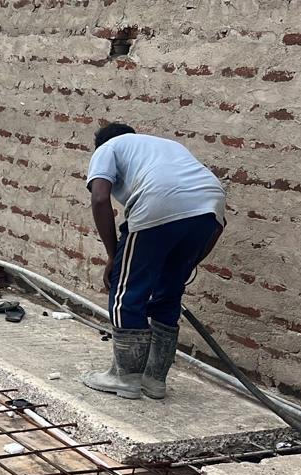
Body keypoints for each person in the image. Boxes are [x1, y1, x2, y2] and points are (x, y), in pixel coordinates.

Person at [83, 123, 226, 400]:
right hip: (210, 209)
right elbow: (218, 226)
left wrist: (114, 256)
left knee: (126, 293)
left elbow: (99, 198)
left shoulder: (108, 147)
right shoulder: (168, 147)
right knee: (168, 293)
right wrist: (186, 265)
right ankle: (154, 380)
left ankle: (125, 379)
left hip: (159, 202)